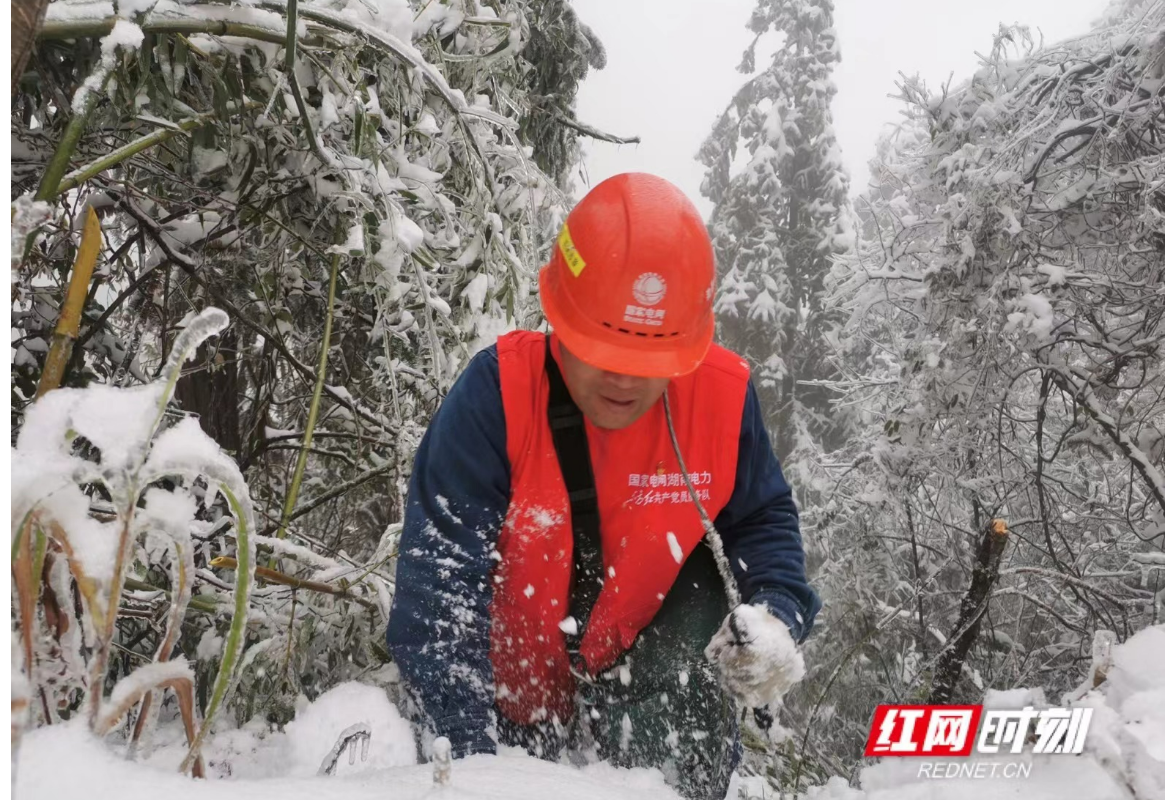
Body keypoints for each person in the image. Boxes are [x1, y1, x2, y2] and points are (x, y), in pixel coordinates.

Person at [386, 173, 821, 799]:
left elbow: (761, 522)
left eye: (650, 360)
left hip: (644, 691)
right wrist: (475, 765)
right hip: (508, 703)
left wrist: (777, 617)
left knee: (704, 597)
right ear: (560, 320)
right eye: (601, 349)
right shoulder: (496, 400)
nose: (624, 380)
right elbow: (438, 597)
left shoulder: (721, 401)